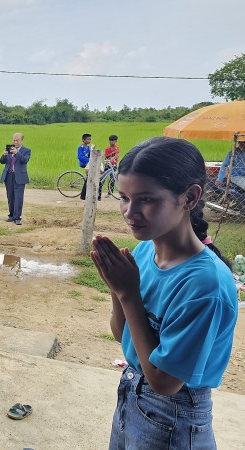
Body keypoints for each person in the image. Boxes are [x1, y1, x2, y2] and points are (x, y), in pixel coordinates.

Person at [91, 137, 237, 449]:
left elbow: (165, 382)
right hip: (132, 394)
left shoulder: (205, 286)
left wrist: (129, 293)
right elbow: (122, 334)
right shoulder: (144, 253)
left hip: (174, 417)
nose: (130, 213)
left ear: (190, 197)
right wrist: (117, 289)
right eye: (124, 198)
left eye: (146, 199)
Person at [0, 133, 31, 225]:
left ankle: (17, 217)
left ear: (22, 141)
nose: (15, 142)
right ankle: (11, 215)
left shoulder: (26, 150)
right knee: (10, 196)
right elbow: (2, 161)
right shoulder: (9, 149)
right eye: (14, 140)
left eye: (17, 140)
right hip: (9, 175)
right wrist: (4, 155)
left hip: (20, 176)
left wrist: (17, 153)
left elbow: (25, 160)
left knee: (18, 197)